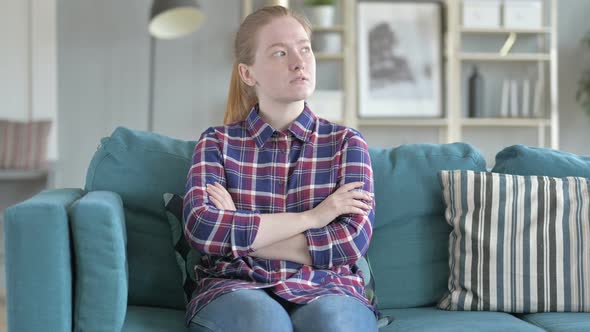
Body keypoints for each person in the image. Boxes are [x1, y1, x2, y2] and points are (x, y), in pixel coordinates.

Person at [183, 5, 377, 332]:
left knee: (333, 324)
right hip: (235, 286)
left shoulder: (347, 143)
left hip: (331, 287)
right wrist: (313, 218)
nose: (299, 61)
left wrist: (243, 235)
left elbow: (349, 242)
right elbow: (202, 227)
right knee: (262, 322)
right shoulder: (216, 142)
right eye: (279, 53)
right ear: (248, 73)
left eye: (305, 49)